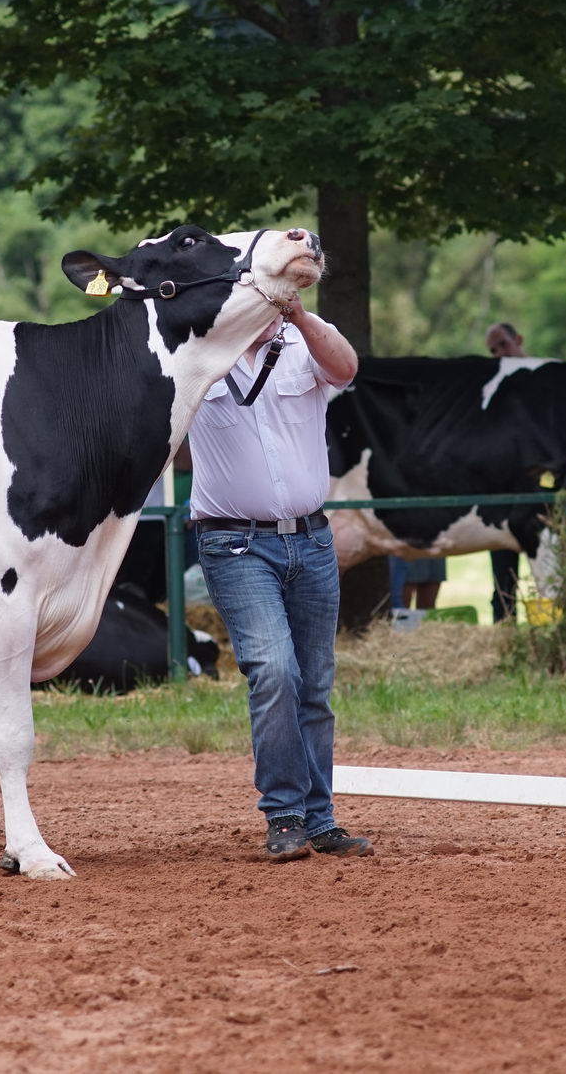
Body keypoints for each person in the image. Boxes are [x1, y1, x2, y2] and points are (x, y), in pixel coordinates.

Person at [189, 235, 371, 862]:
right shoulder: (201, 355)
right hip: (234, 543)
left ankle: (320, 819)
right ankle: (285, 814)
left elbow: (347, 368)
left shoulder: (307, 342)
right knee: (275, 672)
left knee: (314, 683)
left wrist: (297, 314)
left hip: (312, 540)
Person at [483, 324, 524, 623]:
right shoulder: (492, 389)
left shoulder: (547, 380)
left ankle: (548, 628)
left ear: (519, 340)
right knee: (503, 573)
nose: (499, 353)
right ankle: (505, 627)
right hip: (504, 495)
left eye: (503, 345)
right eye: (493, 351)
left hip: (545, 491)